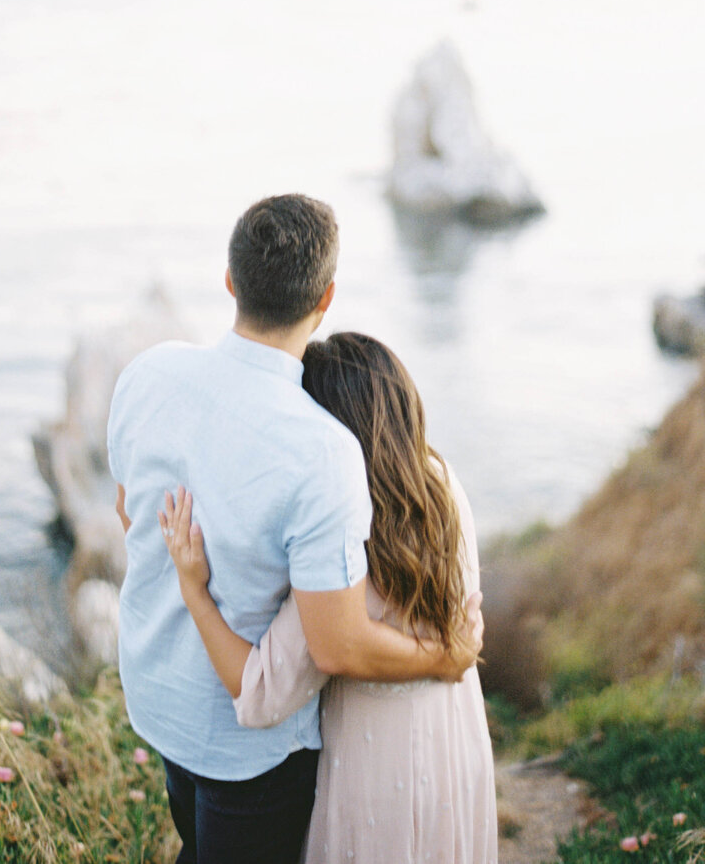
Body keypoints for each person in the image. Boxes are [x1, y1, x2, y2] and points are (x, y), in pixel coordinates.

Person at [107, 194, 483, 864]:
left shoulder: (148, 373)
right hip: (246, 749)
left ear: (230, 280)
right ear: (326, 296)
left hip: (158, 697)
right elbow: (337, 645)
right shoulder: (323, 450)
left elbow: (127, 508)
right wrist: (444, 656)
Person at [161, 332, 497, 864]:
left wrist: (193, 589)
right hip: (454, 746)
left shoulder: (347, 549)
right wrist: (446, 656)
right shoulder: (442, 484)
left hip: (375, 778)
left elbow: (258, 693)